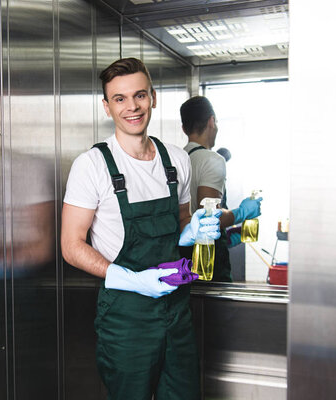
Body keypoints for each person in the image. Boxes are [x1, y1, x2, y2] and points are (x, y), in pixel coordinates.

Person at [61, 58, 221, 400]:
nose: (131, 107)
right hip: (125, 318)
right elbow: (71, 246)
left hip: (177, 310)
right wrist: (131, 279)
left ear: (153, 97)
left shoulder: (176, 160)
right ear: (107, 106)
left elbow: (178, 226)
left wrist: (193, 231)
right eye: (119, 99)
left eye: (139, 96)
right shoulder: (92, 166)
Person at [180, 96, 262, 281]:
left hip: (182, 259)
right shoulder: (212, 160)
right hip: (208, 263)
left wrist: (230, 231)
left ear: (184, 128)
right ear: (212, 121)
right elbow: (209, 218)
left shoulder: (177, 160)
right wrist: (241, 213)